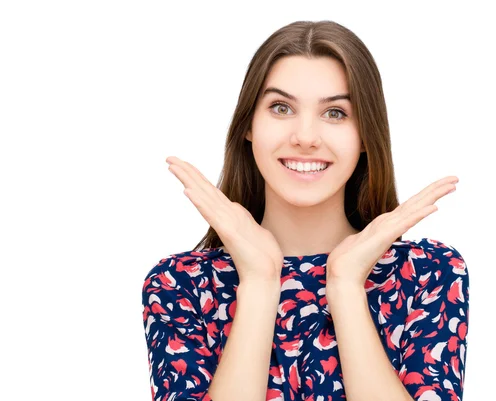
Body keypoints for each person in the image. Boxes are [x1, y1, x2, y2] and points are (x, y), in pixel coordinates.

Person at [141, 20, 469, 401]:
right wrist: (260, 282)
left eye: (335, 113)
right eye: (281, 107)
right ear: (248, 125)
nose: (306, 137)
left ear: (366, 136)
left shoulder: (426, 275)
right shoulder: (179, 286)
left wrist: (345, 286)